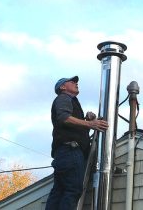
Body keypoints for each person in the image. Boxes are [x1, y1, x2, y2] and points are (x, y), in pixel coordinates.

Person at [45, 76, 108, 210]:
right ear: (62, 87)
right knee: (73, 189)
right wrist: (90, 124)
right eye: (72, 82)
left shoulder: (71, 101)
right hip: (70, 151)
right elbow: (64, 118)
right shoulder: (63, 98)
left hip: (64, 153)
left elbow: (70, 122)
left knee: (59, 191)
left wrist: (85, 119)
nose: (76, 83)